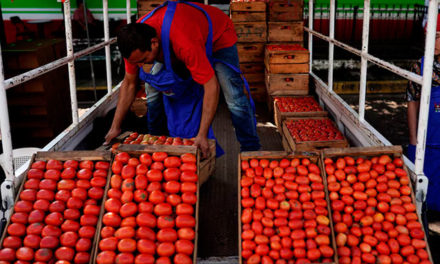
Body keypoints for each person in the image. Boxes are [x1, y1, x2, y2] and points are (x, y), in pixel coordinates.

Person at [104, 0, 261, 157]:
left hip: (218, 37)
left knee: (233, 97)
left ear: (154, 43)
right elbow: (130, 83)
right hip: (185, 35)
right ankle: (155, 148)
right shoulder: (132, 45)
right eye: (136, 62)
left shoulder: (184, 43)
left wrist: (202, 135)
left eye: (143, 60)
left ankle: (251, 150)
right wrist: (115, 127)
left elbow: (211, 85)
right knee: (152, 93)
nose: (140, 66)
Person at [406, 19, 440, 213]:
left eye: (437, 38)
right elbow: (412, 103)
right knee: (423, 196)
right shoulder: (420, 67)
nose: (432, 43)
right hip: (426, 144)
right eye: (429, 37)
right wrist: (413, 140)